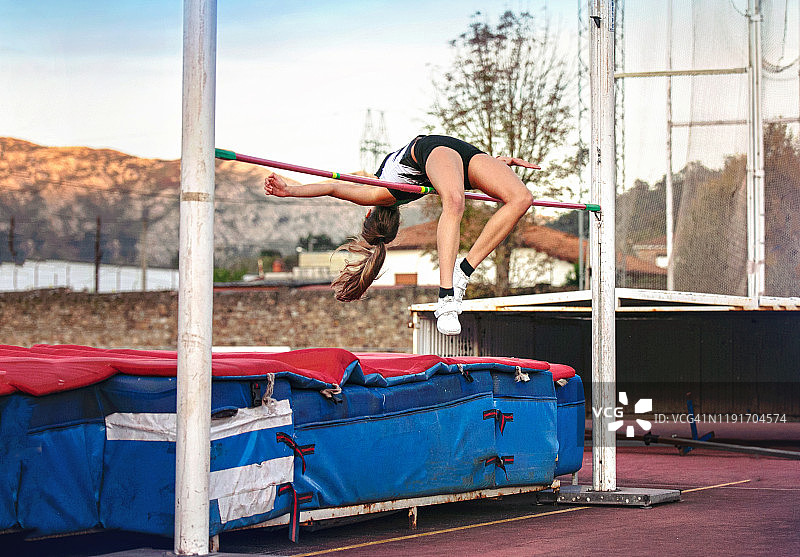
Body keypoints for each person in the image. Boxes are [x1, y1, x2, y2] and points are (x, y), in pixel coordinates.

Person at [263, 135, 536, 336]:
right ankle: (447, 298)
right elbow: (333, 188)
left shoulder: (382, 191)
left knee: (522, 198)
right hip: (436, 153)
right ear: (368, 215)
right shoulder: (378, 194)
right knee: (455, 201)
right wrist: (289, 191)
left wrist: (493, 167)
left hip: (454, 158)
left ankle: (462, 271)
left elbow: (334, 187)